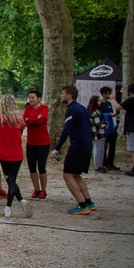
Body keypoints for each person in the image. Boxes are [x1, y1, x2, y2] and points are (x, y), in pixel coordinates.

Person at [51, 85, 95, 215]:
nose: (61, 96)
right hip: (87, 144)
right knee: (76, 174)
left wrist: (57, 148)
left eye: (63, 93)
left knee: (67, 174)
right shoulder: (82, 108)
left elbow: (66, 130)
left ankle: (82, 205)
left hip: (78, 145)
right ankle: (89, 202)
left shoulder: (72, 109)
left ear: (69, 95)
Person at [0, 95, 31, 218]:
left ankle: (9, 206)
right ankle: (20, 200)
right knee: (12, 179)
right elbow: (20, 132)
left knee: (9, 179)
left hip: (4, 153)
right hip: (17, 152)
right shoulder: (19, 118)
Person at [23, 89, 50, 199]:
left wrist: (30, 120)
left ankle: (43, 190)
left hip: (43, 142)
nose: (30, 100)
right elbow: (24, 121)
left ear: (39, 99)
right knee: (32, 167)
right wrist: (32, 120)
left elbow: (41, 120)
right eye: (29, 97)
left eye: (33, 97)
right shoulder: (27, 109)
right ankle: (36, 188)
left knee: (42, 167)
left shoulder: (44, 108)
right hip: (31, 142)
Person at [99, 86, 121, 171]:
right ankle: (104, 162)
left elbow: (112, 112)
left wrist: (114, 114)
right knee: (104, 146)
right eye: (108, 93)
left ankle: (110, 163)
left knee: (112, 146)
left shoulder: (109, 103)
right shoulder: (100, 103)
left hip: (111, 126)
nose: (110, 95)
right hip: (104, 127)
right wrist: (107, 115)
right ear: (104, 94)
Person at [87, 96, 108, 173]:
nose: (100, 102)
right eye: (99, 101)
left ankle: (99, 165)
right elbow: (98, 123)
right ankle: (97, 165)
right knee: (98, 149)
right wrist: (106, 125)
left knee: (100, 149)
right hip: (98, 133)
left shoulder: (92, 111)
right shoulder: (96, 112)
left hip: (97, 133)